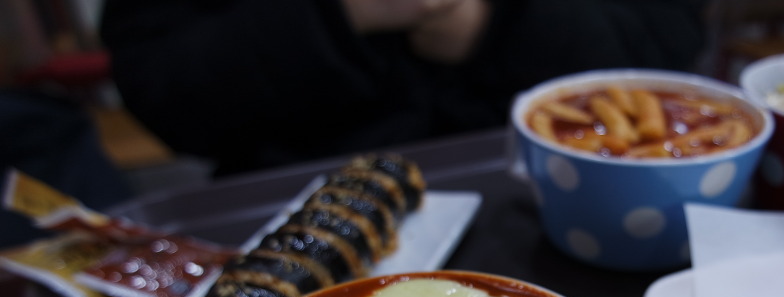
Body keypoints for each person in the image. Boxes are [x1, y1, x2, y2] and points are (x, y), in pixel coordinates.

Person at [99, 0, 710, 176]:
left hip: (543, 185)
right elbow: (163, 88)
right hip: (285, 190)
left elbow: (670, 39)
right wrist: (341, 18)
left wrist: (489, 28)